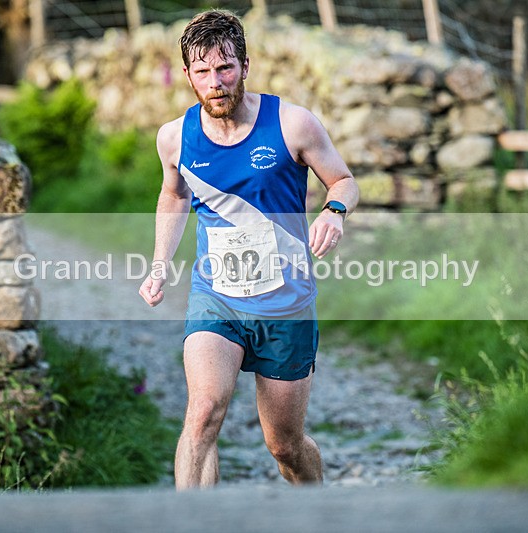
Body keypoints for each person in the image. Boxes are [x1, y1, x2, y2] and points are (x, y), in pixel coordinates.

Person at [138, 9, 359, 490]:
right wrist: (160, 265)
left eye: (225, 68)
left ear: (245, 66)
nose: (215, 82)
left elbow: (343, 180)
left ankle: (317, 509)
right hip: (215, 296)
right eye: (202, 72)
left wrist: (333, 212)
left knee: (285, 446)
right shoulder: (174, 137)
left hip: (286, 303)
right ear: (188, 76)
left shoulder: (293, 124)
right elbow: (175, 195)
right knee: (202, 416)